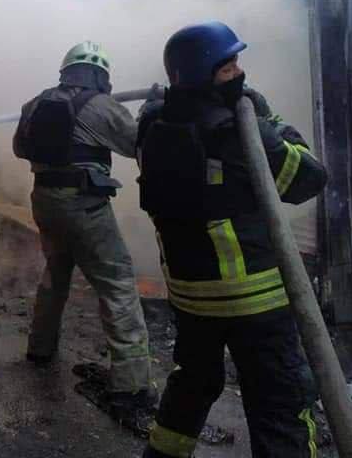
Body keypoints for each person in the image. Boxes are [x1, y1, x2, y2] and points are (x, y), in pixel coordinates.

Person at [136, 22, 327, 458]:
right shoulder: (240, 133)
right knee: (280, 402)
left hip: (190, 298)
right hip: (253, 299)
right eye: (228, 68)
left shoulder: (151, 126)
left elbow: (157, 114)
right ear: (202, 75)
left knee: (192, 384)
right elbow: (309, 178)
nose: (239, 73)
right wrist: (270, 122)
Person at [13, 41, 154, 414]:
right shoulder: (103, 105)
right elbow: (138, 144)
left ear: (65, 71)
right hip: (83, 205)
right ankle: (132, 384)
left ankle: (40, 348)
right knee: (118, 283)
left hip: (44, 200)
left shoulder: (35, 103)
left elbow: (20, 149)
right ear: (101, 75)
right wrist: (151, 110)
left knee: (55, 273)